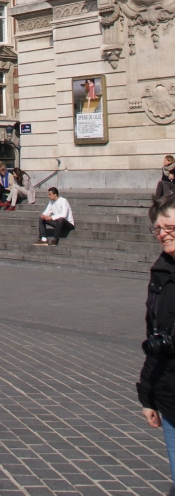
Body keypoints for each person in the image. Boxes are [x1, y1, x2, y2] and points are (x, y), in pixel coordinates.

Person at [138, 193, 175, 492]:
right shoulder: (161, 270)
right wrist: (147, 395)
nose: (162, 234)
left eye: (170, 227)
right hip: (170, 396)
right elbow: (155, 336)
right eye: (158, 229)